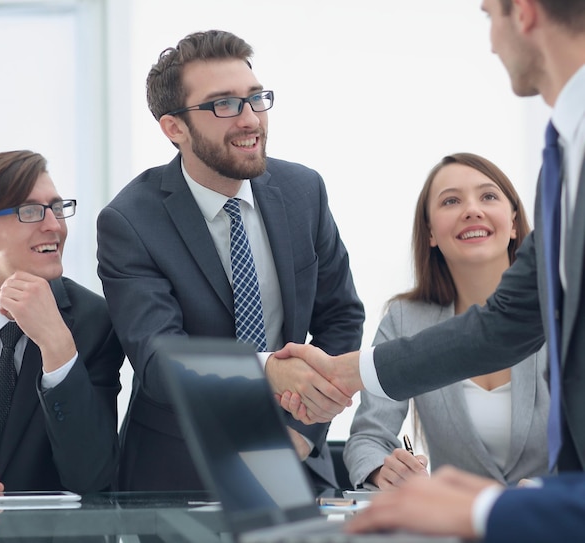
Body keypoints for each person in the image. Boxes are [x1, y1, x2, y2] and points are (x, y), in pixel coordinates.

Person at [274, 0, 585, 539]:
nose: (490, 41)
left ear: (526, 13)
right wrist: (349, 374)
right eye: (450, 202)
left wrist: (490, 510)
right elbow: (507, 326)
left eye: (489, 15)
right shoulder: (560, 159)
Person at [96, 29, 364, 492]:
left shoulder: (304, 192)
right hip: (177, 473)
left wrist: (303, 432)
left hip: (293, 460)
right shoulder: (130, 221)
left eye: (256, 98)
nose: (250, 119)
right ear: (174, 127)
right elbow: (160, 358)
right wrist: (267, 369)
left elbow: (340, 316)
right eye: (224, 104)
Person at [344, 152, 549, 490]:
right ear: (430, 234)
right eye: (451, 201)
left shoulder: (560, 312)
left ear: (514, 222)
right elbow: (368, 436)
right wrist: (385, 471)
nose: (472, 209)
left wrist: (548, 492)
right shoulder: (405, 320)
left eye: (488, 196)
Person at [0, 150, 123, 493]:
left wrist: (58, 347)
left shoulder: (95, 322)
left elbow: (95, 481)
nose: (54, 226)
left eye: (57, 208)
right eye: (30, 212)